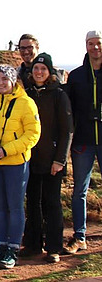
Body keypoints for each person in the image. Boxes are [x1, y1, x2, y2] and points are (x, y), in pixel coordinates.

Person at [0, 65, 40, 269]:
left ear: (13, 81)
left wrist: (7, 150)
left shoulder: (26, 103)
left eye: (5, 79)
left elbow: (32, 134)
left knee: (14, 206)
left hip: (14, 163)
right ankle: (0, 246)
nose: (1, 83)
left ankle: (12, 248)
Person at [22, 52, 73, 263]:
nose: (39, 72)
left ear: (50, 72)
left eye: (43, 69)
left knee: (51, 203)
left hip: (52, 159)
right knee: (32, 202)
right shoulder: (26, 94)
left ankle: (54, 247)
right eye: (36, 69)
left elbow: (67, 130)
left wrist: (60, 159)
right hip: (29, 158)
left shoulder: (59, 95)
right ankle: (33, 245)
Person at [64, 30, 102, 255]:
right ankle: (79, 236)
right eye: (91, 44)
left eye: (98, 43)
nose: (95, 47)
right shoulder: (77, 76)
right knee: (80, 190)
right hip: (83, 143)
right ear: (86, 46)